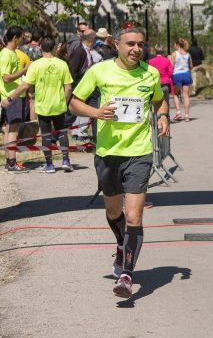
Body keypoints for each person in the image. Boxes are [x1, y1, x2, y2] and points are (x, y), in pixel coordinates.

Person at [69, 25, 170, 298]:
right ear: (116, 44)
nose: (136, 49)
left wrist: (163, 116)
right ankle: (120, 245)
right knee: (114, 211)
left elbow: (159, 101)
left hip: (139, 152)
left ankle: (126, 275)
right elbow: (74, 103)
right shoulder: (99, 71)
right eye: (130, 44)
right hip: (108, 153)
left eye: (140, 44)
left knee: (135, 216)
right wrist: (97, 112)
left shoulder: (150, 73)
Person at [2, 36, 73, 173]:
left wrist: (10, 98)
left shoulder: (36, 65)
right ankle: (65, 161)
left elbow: (24, 86)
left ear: (40, 48)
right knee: (62, 133)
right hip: (59, 105)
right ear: (54, 47)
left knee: (46, 135)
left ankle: (50, 165)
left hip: (43, 106)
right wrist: (63, 101)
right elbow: (68, 88)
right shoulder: (62, 64)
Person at [0, 26, 29, 171]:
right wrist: (24, 70)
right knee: (13, 130)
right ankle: (12, 162)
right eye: (22, 37)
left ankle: (9, 161)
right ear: (15, 37)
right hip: (12, 96)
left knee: (9, 129)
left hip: (15, 95)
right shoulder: (6, 54)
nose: (23, 40)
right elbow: (5, 78)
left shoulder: (12, 53)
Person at [169, 38, 193, 122]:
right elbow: (191, 66)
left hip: (177, 75)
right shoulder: (188, 54)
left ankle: (178, 112)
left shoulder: (174, 54)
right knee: (186, 95)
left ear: (177, 45)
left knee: (175, 94)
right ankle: (187, 116)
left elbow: (171, 66)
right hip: (186, 74)